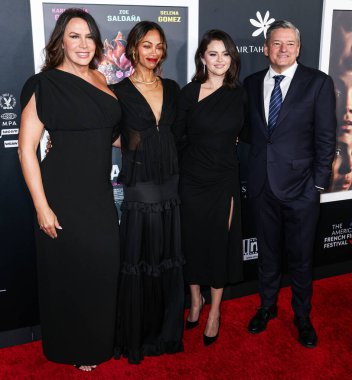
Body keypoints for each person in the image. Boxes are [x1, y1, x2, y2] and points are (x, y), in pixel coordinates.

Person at [18, 9, 121, 371]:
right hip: (62, 191)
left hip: (98, 193)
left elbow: (108, 133)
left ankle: (98, 338)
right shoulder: (44, 84)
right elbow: (26, 147)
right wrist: (42, 207)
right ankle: (76, 347)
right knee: (72, 272)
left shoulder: (100, 77)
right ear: (61, 39)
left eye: (89, 36)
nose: (83, 44)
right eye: (74, 36)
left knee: (102, 267)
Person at [243, 20, 336, 348]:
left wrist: (318, 186)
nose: (283, 49)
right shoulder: (251, 83)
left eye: (289, 44)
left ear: (298, 48)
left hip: (302, 189)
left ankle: (302, 315)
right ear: (266, 48)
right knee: (267, 254)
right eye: (277, 43)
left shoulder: (318, 83)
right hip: (262, 186)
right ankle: (267, 307)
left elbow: (326, 138)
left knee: (300, 257)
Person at [110, 21, 184, 364]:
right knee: (141, 258)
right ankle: (139, 336)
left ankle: (165, 334)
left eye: (158, 46)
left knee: (167, 256)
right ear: (134, 48)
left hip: (169, 182)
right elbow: (106, 133)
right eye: (147, 45)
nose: (153, 52)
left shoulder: (172, 87)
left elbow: (179, 133)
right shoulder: (118, 91)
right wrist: (135, 146)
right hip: (140, 184)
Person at [173, 29, 246, 345]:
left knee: (218, 244)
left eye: (225, 53)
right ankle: (195, 300)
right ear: (203, 57)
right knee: (191, 242)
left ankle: (214, 311)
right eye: (213, 53)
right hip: (191, 180)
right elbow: (177, 137)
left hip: (223, 181)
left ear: (232, 58)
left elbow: (250, 133)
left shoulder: (239, 94)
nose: (219, 60)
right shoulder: (188, 93)